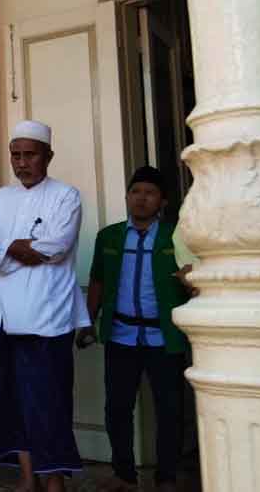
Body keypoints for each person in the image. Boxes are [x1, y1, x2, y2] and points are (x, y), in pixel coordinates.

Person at [0, 120, 90, 492]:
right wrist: (20, 246)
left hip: (45, 319)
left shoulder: (66, 196)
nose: (22, 163)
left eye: (30, 155)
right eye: (16, 155)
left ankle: (54, 483)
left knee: (48, 405)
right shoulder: (2, 198)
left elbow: (54, 247)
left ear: (48, 156)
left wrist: (6, 247)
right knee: (14, 402)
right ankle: (26, 478)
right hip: (3, 319)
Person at [78, 166, 195, 492]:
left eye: (150, 193)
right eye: (135, 191)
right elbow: (98, 281)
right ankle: (124, 474)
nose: (141, 198)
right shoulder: (109, 236)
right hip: (121, 336)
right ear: (128, 196)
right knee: (117, 408)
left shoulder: (178, 236)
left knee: (169, 410)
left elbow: (193, 280)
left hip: (164, 338)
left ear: (163, 201)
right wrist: (87, 322)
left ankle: (167, 477)